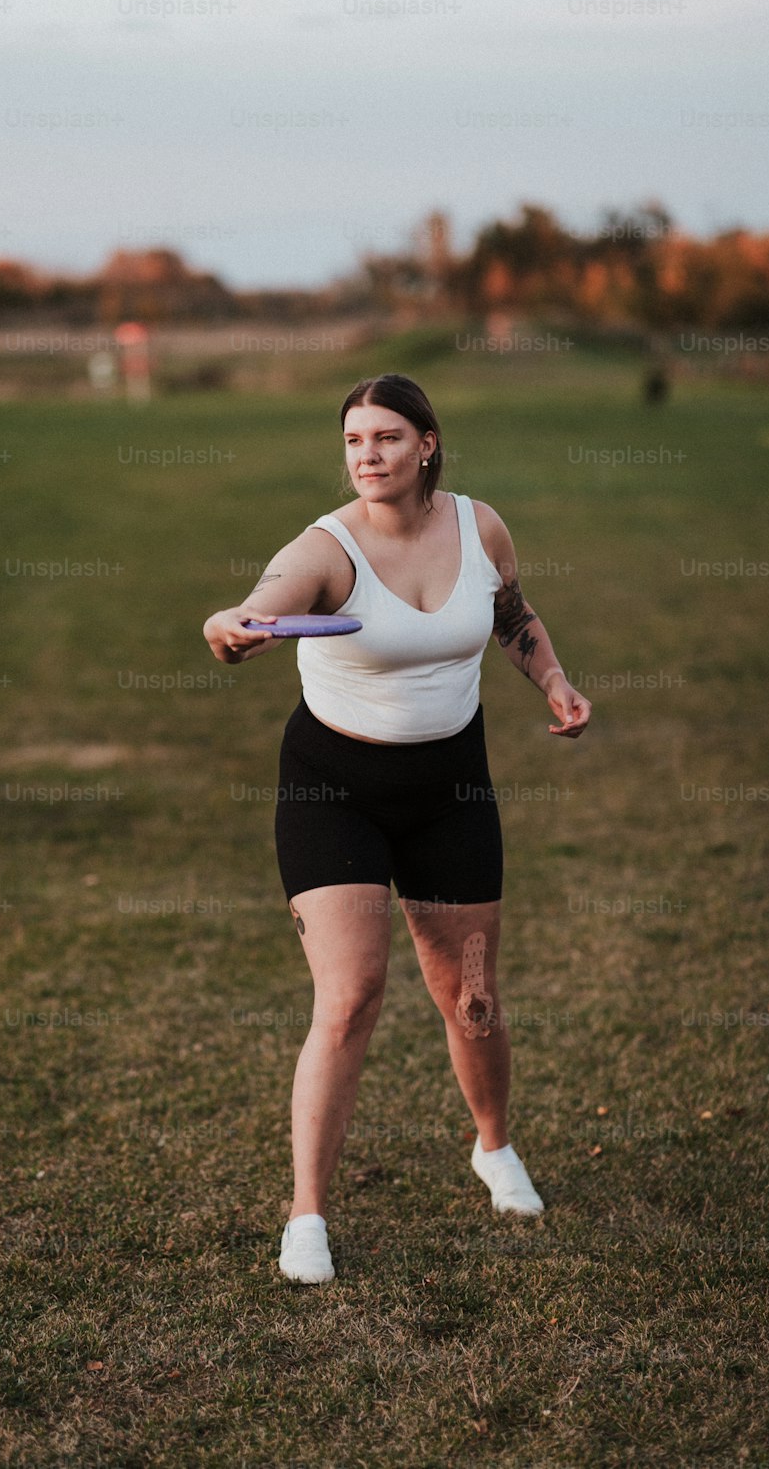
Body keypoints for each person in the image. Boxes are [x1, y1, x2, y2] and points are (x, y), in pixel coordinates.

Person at [203, 374, 591, 1285]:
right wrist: (230, 625)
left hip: (451, 785)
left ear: (427, 444)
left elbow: (510, 613)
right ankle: (307, 1217)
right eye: (352, 441)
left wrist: (555, 682)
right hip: (333, 788)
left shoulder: (478, 526)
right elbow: (261, 600)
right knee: (349, 997)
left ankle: (493, 1147)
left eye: (384, 438)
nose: (366, 456)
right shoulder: (326, 547)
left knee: (473, 997)